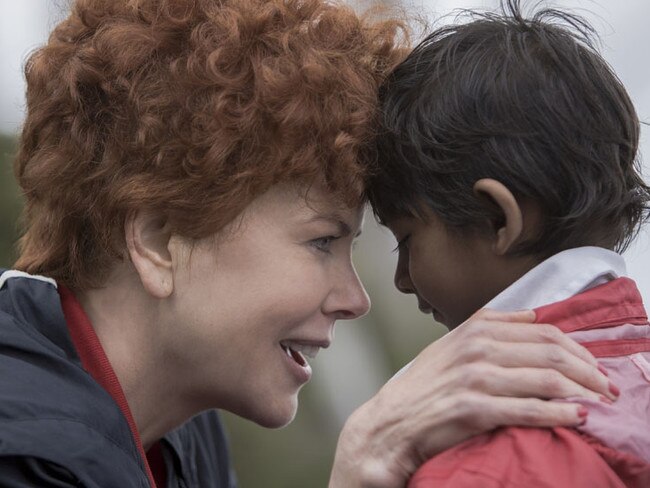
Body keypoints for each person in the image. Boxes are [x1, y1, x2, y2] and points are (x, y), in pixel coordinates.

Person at [1, 0, 615, 486]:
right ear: (160, 241)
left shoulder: (175, 432)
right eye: (322, 242)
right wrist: (359, 465)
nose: (357, 298)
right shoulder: (24, 452)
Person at [368, 1, 650, 486]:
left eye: (406, 241)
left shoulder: (487, 462)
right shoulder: (633, 375)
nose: (400, 281)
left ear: (498, 217)